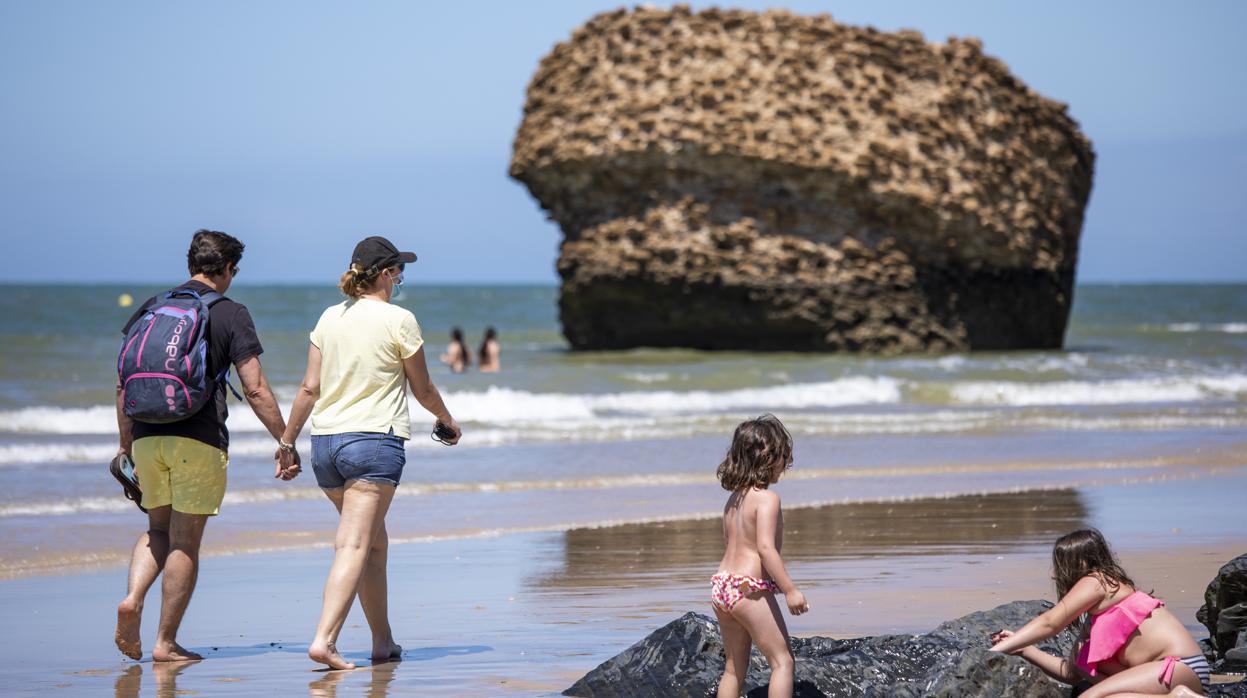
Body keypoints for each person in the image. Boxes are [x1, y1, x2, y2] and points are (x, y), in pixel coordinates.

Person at [113, 229, 299, 662]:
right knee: (185, 542)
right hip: (198, 438)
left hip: (146, 435)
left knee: (157, 530)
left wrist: (126, 446)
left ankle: (132, 598)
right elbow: (254, 388)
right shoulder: (231, 313)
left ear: (191, 264)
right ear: (229, 269)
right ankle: (164, 642)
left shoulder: (152, 308)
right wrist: (285, 440)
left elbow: (124, 383)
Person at [278, 235, 462, 670]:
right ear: (385, 274)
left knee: (373, 544)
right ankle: (324, 640)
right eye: (399, 271)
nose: (401, 279)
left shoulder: (329, 317)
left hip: (325, 446)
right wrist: (448, 421)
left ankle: (383, 641)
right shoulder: (400, 320)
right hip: (374, 445)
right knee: (355, 544)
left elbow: (309, 387)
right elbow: (424, 388)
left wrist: (287, 442)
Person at [989, 529, 1209, 697]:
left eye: (1061, 565)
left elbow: (1050, 623)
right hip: (1168, 674)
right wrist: (1024, 649)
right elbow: (1073, 673)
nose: (1054, 575)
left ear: (1082, 564)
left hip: (1178, 666)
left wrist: (994, 652)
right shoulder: (1097, 616)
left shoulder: (1097, 581)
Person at [711, 415, 809, 698]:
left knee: (733, 669)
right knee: (783, 661)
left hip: (722, 586)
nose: (786, 465)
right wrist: (790, 590)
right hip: (748, 588)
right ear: (768, 456)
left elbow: (733, 544)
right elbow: (765, 550)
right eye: (783, 457)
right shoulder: (767, 499)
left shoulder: (733, 500)